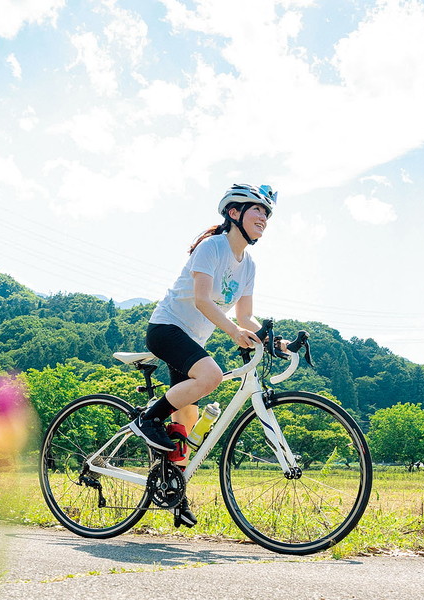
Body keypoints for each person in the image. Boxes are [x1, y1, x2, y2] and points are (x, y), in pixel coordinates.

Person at [128, 183, 277, 528]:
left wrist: (273, 340)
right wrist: (234, 333)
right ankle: (148, 419)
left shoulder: (249, 265)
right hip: (167, 328)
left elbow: (245, 317)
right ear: (234, 212)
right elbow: (202, 300)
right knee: (210, 377)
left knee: (187, 423)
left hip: (192, 340)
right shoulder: (213, 247)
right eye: (257, 209)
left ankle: (174, 492)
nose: (263, 217)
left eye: (267, 213)